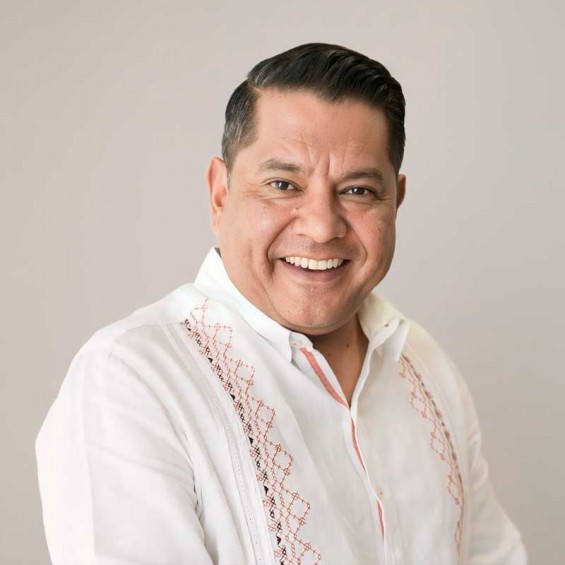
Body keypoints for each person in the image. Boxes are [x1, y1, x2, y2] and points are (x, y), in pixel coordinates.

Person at [36, 43, 527, 564]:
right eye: (283, 184)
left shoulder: (425, 365)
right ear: (220, 194)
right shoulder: (132, 381)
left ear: (395, 202)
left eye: (358, 191)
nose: (321, 227)